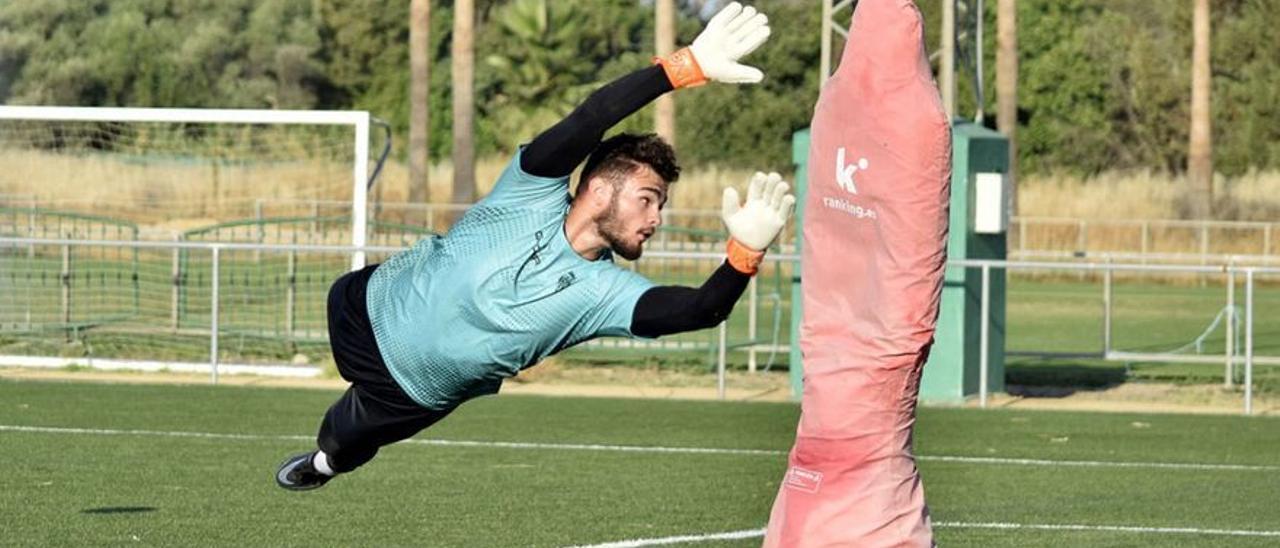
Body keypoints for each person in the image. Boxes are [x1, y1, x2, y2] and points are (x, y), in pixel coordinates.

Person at [277, 2, 794, 491]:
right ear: (598, 189)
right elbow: (592, 117)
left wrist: (745, 251)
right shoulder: (531, 188)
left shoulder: (605, 293)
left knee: (342, 442)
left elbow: (703, 310)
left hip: (410, 392)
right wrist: (686, 67)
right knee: (336, 295)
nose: (656, 218)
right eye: (647, 199)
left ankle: (321, 464)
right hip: (364, 308)